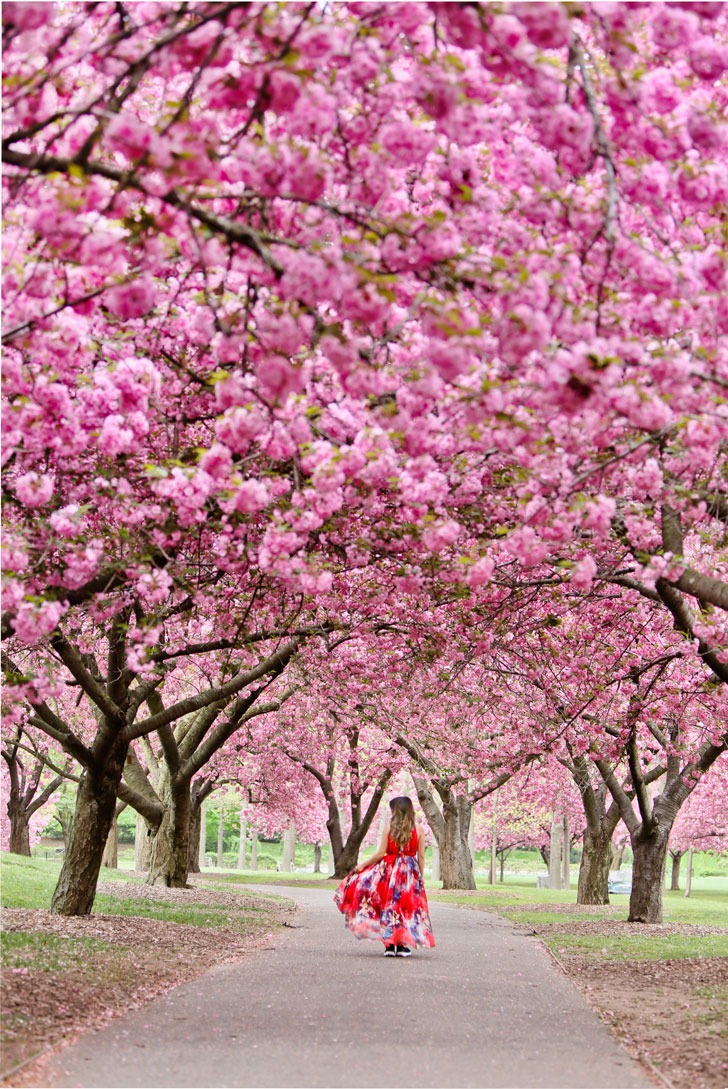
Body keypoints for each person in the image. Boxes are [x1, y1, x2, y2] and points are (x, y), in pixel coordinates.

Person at [334, 796, 435, 957]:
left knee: (389, 905)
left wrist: (364, 865)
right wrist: (419, 877)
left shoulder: (389, 828)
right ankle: (402, 945)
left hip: (390, 871)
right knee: (406, 907)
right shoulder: (419, 829)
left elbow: (381, 853)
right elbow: (421, 856)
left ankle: (389, 945)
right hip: (409, 872)